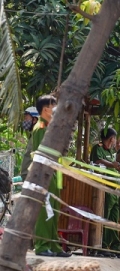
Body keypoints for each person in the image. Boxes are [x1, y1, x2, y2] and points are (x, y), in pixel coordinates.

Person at [32, 95, 71, 257]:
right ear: (46, 109)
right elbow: (44, 153)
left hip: (55, 174)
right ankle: (42, 245)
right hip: (44, 175)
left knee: (54, 211)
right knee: (44, 211)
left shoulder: (49, 126)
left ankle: (54, 245)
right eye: (53, 107)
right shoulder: (41, 127)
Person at [90, 127, 120, 257]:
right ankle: (102, 245)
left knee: (114, 217)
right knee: (105, 215)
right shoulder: (98, 148)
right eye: (113, 138)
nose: (114, 141)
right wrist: (111, 165)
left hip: (116, 189)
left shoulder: (111, 150)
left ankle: (113, 245)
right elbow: (98, 162)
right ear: (110, 138)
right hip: (105, 189)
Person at [20, 107, 40, 181]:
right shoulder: (33, 135)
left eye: (26, 118)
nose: (24, 121)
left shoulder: (38, 136)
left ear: (34, 120)